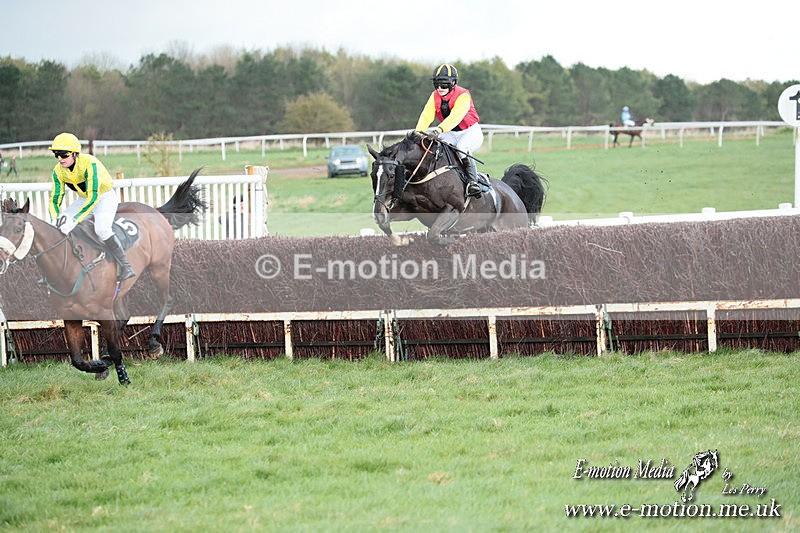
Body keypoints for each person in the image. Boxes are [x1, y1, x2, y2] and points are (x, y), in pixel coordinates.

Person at [48, 132, 135, 280]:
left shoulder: (90, 163)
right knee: (56, 226)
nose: (59, 159)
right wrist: (56, 219)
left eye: (63, 154)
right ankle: (56, 271)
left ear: (75, 154)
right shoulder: (58, 171)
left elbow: (93, 197)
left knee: (102, 229)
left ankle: (126, 266)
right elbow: (55, 199)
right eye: (56, 154)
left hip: (103, 196)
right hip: (84, 198)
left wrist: (74, 219)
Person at [414, 63, 487, 198]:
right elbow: (427, 115)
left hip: (470, 132)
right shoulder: (434, 95)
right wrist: (417, 132)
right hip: (451, 132)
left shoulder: (463, 95)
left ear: (453, 83)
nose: (440, 88)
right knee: (435, 147)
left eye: (444, 84)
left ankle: (473, 182)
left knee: (461, 147)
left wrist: (438, 130)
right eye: (437, 84)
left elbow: (456, 117)